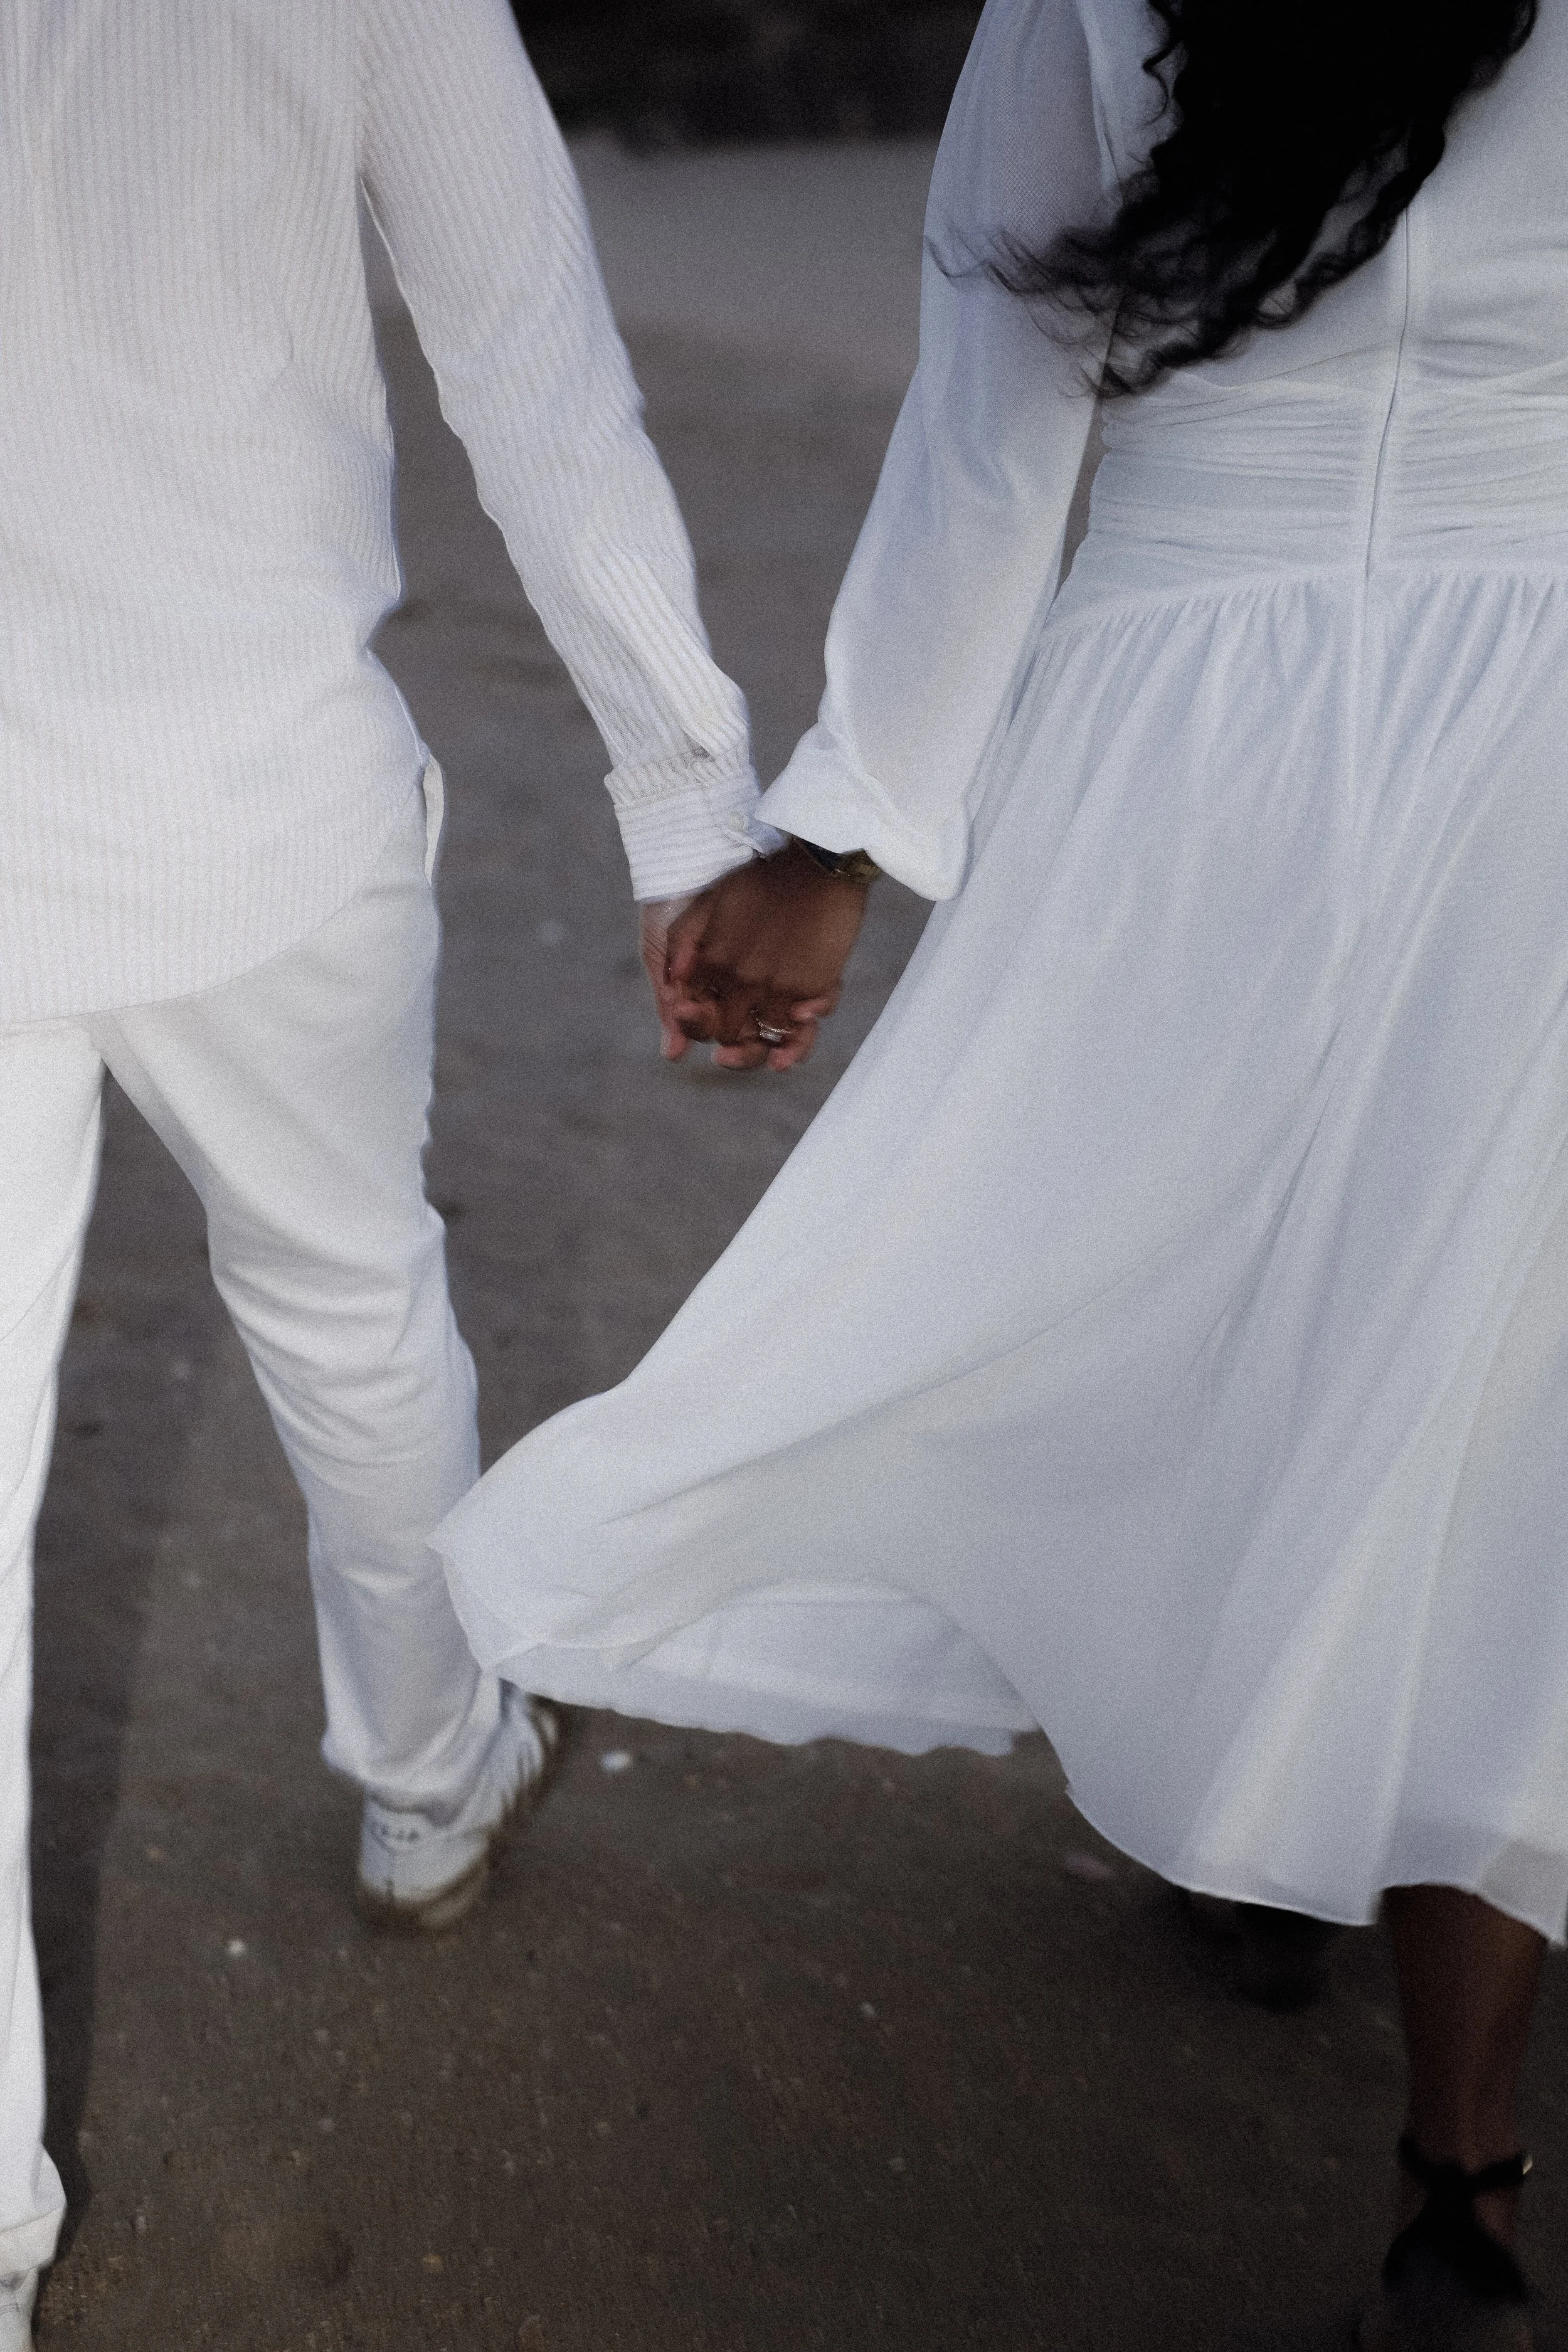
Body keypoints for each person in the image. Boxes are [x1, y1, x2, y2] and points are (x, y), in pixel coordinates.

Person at [435, 0, 1568, 2342]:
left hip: (1185, 731)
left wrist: (839, 837)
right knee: (1485, 1401)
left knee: (1196, 1303)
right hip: (1524, 719)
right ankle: (1451, 2161)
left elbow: (995, 418)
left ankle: (1273, 1851)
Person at [0, 3, 781, 2342]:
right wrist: (688, 809)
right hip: (267, 795)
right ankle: (431, 1775)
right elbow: (535, 368)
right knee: (353, 1300)